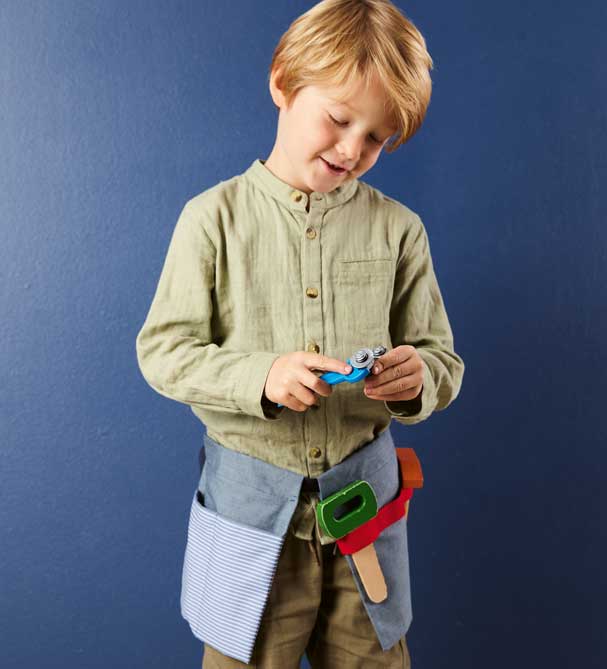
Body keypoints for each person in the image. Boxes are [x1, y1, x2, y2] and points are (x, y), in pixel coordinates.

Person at [135, 0, 465, 667]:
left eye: (375, 138)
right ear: (283, 83)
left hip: (366, 520)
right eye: (339, 119)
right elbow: (163, 352)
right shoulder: (210, 220)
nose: (352, 150)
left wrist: (417, 378)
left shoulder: (401, 231)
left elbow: (442, 361)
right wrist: (262, 376)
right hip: (249, 521)